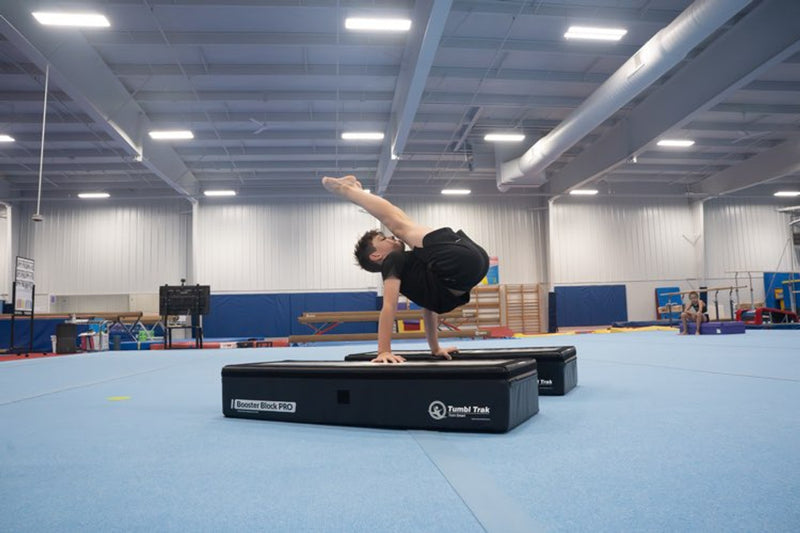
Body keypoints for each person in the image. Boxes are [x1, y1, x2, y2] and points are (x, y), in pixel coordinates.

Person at [322, 175, 490, 363]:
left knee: (401, 223)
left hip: (463, 270)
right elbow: (391, 305)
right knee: (399, 224)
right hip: (467, 262)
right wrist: (383, 351)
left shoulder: (413, 264)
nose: (391, 238)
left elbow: (429, 308)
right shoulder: (393, 260)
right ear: (376, 256)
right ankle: (348, 189)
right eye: (383, 239)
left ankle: (354, 191)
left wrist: (435, 348)